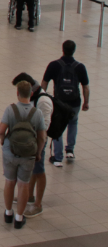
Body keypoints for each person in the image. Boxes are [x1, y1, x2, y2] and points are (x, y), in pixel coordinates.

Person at [0, 80, 47, 229]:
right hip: (28, 154)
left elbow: (0, 131)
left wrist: (2, 141)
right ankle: (19, 218)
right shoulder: (37, 113)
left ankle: (8, 213)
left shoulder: (10, 109)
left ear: (17, 93)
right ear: (31, 94)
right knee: (23, 184)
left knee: (9, 182)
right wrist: (38, 152)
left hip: (10, 152)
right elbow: (42, 137)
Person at [10, 72, 54, 218]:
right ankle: (29, 195)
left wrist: (37, 147)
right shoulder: (32, 96)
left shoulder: (43, 101)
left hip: (38, 140)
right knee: (33, 170)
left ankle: (38, 205)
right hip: (31, 139)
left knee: (39, 171)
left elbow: (44, 127)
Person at [41, 40, 90, 168]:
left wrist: (42, 98)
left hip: (59, 103)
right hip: (75, 102)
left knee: (58, 126)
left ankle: (57, 158)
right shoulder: (80, 67)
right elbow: (86, 87)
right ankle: (70, 150)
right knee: (73, 123)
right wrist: (86, 102)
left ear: (62, 49)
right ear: (74, 50)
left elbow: (44, 83)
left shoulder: (53, 65)